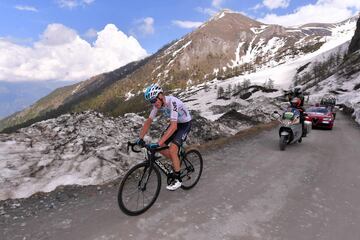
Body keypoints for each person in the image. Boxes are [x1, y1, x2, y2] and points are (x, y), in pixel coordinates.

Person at [136, 83, 192, 191]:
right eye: (151, 101)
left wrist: (159, 143)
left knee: (171, 148)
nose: (153, 103)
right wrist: (140, 138)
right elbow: (148, 121)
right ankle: (177, 161)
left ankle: (178, 180)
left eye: (154, 100)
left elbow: (174, 126)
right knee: (160, 148)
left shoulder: (173, 102)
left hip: (184, 125)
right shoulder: (157, 105)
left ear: (161, 96)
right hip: (175, 124)